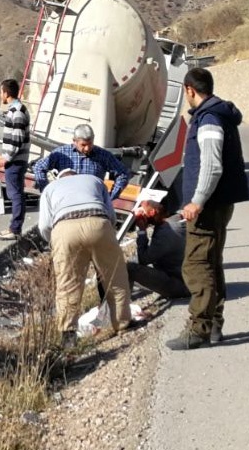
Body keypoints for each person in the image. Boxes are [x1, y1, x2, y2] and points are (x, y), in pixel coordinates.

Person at [167, 67, 249, 351]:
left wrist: (197, 201)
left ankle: (198, 329)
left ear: (189, 90)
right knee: (212, 262)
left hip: (208, 206)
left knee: (197, 265)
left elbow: (212, 166)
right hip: (218, 203)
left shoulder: (209, 119)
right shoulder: (217, 114)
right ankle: (214, 324)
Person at [38, 169, 135, 346]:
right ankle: (122, 324)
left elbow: (44, 225)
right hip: (98, 222)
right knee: (115, 277)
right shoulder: (94, 180)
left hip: (65, 229)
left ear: (59, 178)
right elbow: (111, 214)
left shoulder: (50, 188)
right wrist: (106, 233)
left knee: (68, 284)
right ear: (76, 175)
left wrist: (55, 242)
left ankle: (68, 335)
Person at [32, 123, 131, 202]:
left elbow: (123, 173)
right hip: (65, 201)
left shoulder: (103, 155)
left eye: (90, 143)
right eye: (83, 145)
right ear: (74, 141)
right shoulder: (61, 153)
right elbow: (39, 167)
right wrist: (46, 191)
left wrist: (111, 197)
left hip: (92, 202)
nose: (87, 148)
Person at [0, 78, 30, 240]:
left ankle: (15, 229)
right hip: (16, 159)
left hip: (15, 160)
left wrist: (7, 157)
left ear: (6, 93)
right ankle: (14, 227)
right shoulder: (15, 110)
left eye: (1, 92)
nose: (0, 95)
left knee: (15, 194)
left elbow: (17, 138)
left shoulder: (17, 112)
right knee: (16, 193)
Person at [127, 200, 189, 300]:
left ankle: (121, 306)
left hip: (179, 284)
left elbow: (143, 259)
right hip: (186, 278)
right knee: (131, 262)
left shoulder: (166, 232)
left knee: (129, 268)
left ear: (152, 212)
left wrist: (142, 230)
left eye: (142, 211)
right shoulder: (175, 220)